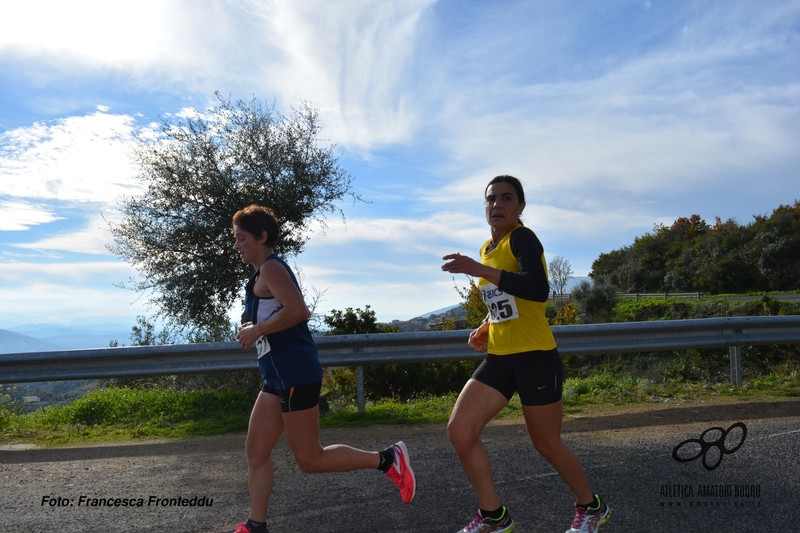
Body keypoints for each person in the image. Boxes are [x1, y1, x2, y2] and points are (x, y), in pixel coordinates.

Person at [441, 176, 611, 533]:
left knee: (546, 443)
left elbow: (537, 288)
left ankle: (591, 507)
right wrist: (487, 323)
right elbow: (506, 298)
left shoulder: (522, 237)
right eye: (491, 199)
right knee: (460, 431)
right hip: (501, 357)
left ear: (520, 206)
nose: (497, 205)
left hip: (535, 356)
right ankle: (494, 517)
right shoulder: (488, 247)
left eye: (506, 198)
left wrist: (479, 270)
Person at [231, 204, 415, 533]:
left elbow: (299, 311)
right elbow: (279, 316)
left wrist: (258, 330)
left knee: (310, 459)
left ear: (261, 237)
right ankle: (255, 525)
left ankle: (387, 459)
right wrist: (254, 326)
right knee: (255, 450)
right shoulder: (261, 275)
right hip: (277, 376)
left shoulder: (272, 269)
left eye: (241, 238)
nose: (236, 245)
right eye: (235, 239)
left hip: (295, 374)